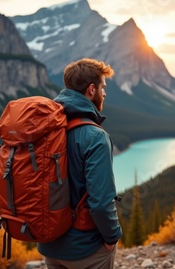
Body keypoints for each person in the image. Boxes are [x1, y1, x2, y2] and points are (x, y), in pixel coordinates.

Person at [37, 58, 123, 269]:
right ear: (91, 89)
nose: (104, 93)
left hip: (50, 244)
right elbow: (101, 203)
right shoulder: (95, 136)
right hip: (86, 249)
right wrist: (112, 239)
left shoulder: (44, 130)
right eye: (103, 87)